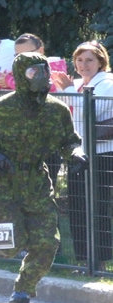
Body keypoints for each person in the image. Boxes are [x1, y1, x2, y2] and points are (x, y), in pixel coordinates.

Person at [0, 52, 88, 303]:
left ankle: (21, 296)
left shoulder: (57, 109)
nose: (40, 77)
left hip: (37, 182)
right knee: (9, 244)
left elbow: (69, 140)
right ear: (20, 76)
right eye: (32, 73)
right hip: (4, 182)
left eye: (43, 71)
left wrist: (75, 154)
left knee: (46, 243)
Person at [53, 40, 113, 266]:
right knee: (77, 207)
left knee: (96, 208)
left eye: (89, 60)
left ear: (100, 61)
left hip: (101, 155)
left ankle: (99, 261)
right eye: (79, 60)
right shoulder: (76, 83)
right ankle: (82, 260)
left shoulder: (107, 82)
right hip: (77, 153)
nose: (83, 64)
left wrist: (67, 89)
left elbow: (90, 112)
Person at [0, 33, 65, 188]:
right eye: (17, 55)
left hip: (48, 139)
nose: (21, 59)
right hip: (23, 141)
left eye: (27, 54)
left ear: (40, 50)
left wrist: (8, 81)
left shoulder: (53, 66)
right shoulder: (18, 72)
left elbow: (47, 87)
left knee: (45, 188)